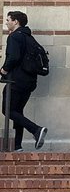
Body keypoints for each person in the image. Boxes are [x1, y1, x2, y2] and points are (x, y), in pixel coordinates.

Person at [1, 11, 48, 150]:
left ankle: (36, 130)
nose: (6, 22)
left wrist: (3, 70)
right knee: (17, 112)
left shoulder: (14, 37)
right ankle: (17, 146)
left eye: (8, 20)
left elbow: (13, 57)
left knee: (7, 110)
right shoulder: (29, 37)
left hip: (16, 80)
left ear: (16, 22)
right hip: (29, 82)